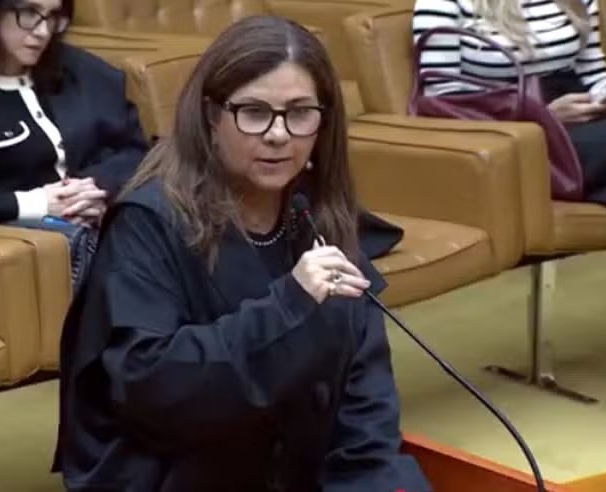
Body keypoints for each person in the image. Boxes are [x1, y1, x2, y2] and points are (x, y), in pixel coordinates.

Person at [54, 15, 431, 492]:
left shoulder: (317, 222)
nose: (278, 134)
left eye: (300, 113)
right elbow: (153, 391)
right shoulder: (148, 223)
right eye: (254, 112)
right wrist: (290, 305)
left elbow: (364, 426)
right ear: (212, 118)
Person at [413, 0, 606, 436]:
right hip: (519, 145)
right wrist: (541, 114)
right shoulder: (444, 2)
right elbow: (439, 101)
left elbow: (593, 72)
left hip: (586, 131)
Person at [0, 0, 148, 227]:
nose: (43, 31)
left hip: (110, 217)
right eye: (29, 13)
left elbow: (135, 149)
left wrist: (93, 189)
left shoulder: (82, 71)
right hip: (35, 238)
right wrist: (37, 203)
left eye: (53, 15)